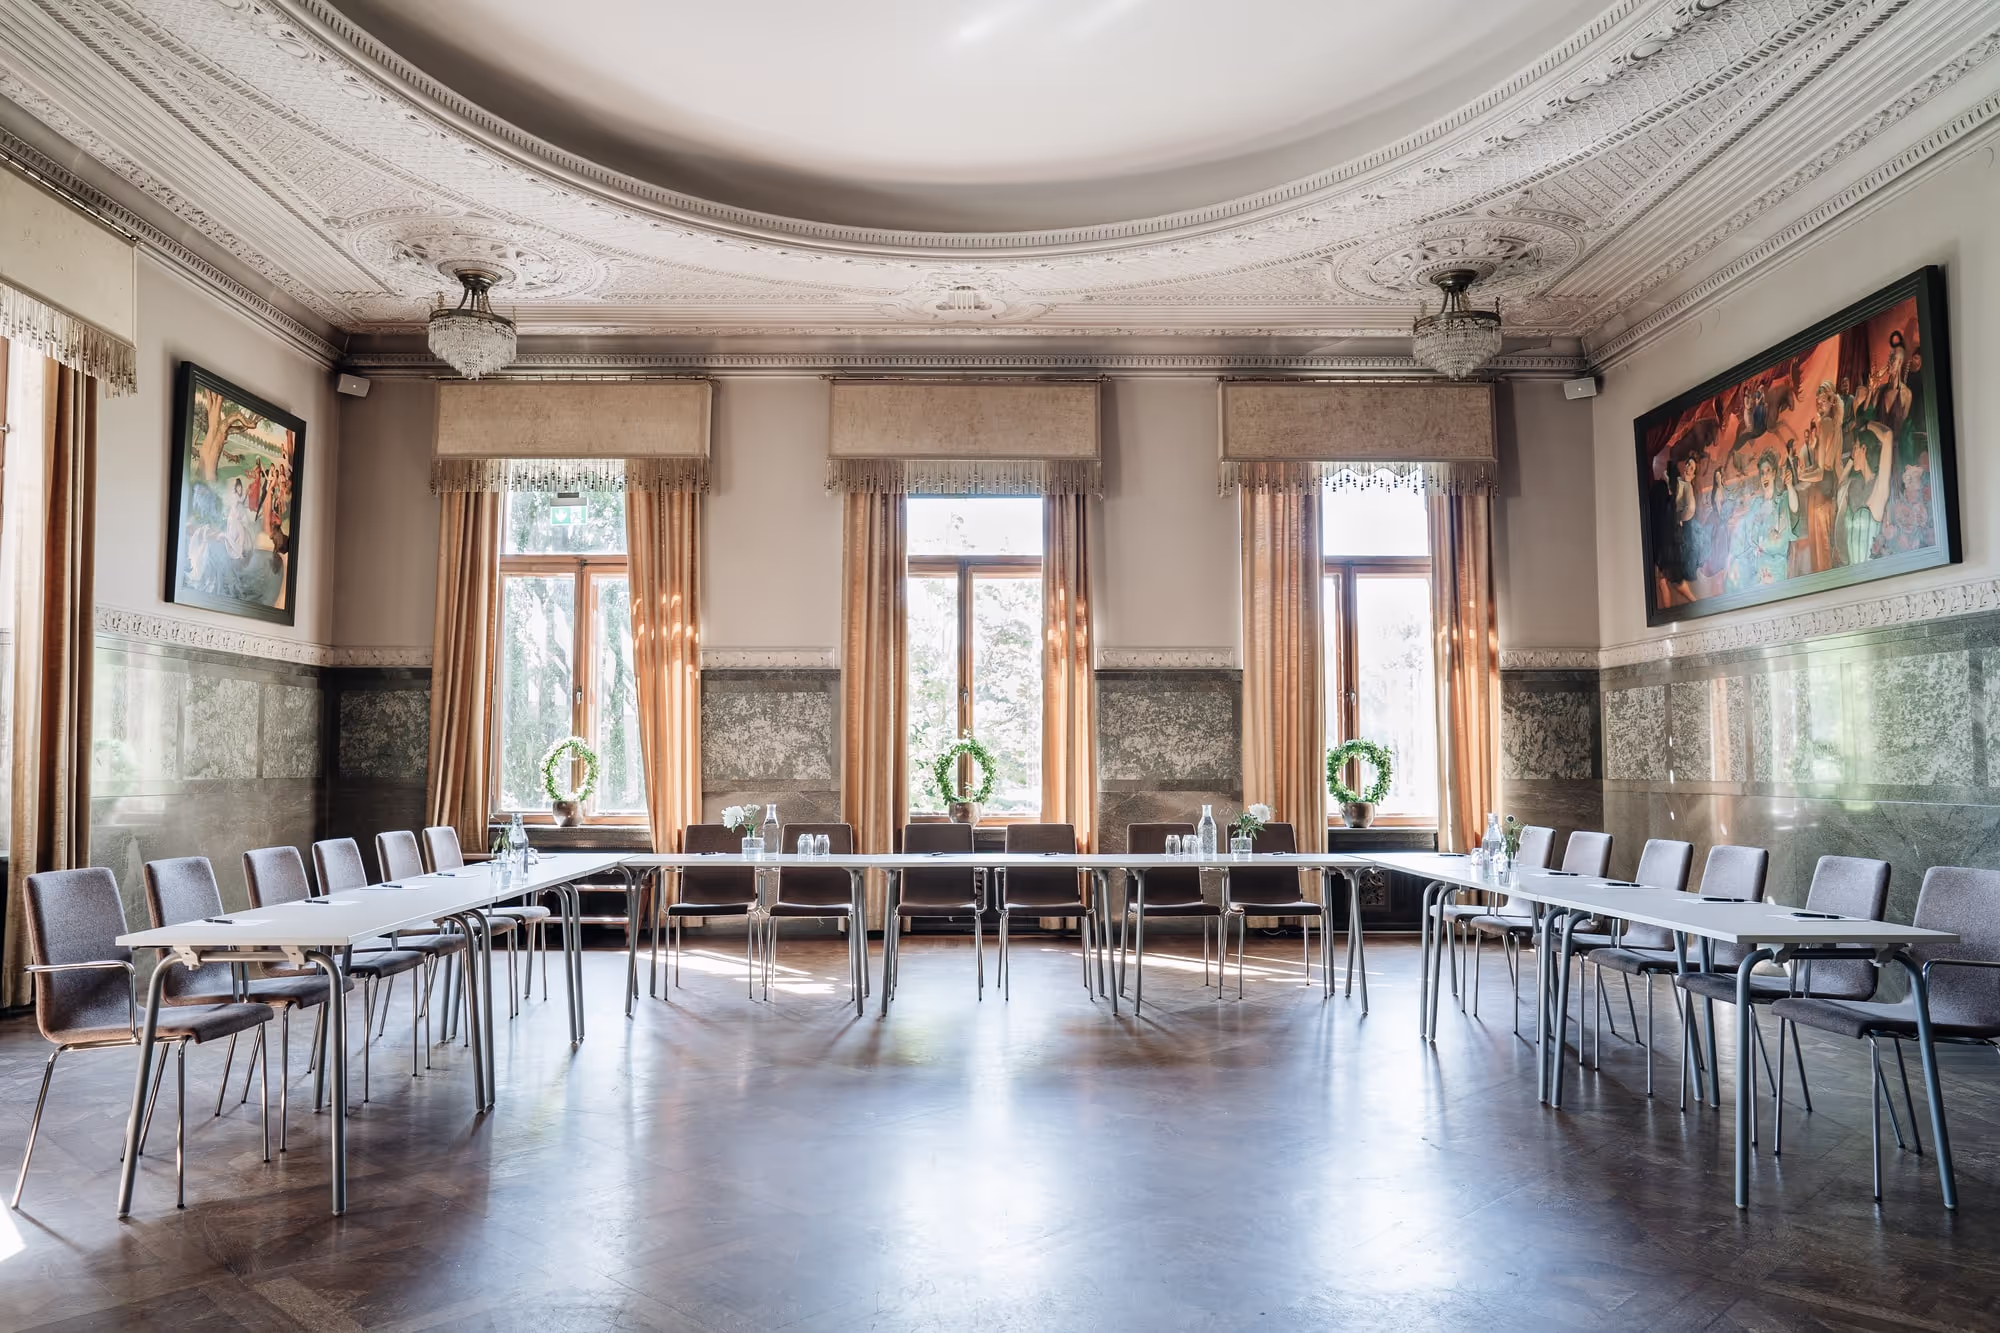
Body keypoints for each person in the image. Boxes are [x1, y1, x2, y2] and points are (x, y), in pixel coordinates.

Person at [1878, 453, 1935, 555]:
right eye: (1909, 489)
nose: (1911, 493)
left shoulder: (1922, 507)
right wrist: (1894, 532)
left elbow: (1923, 529)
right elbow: (1895, 527)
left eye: (1915, 491)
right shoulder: (1898, 505)